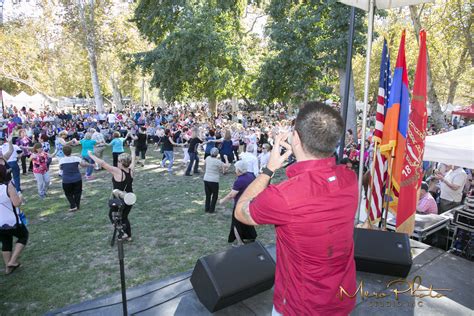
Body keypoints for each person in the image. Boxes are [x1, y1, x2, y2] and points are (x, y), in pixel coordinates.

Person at [234, 102, 357, 315]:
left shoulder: (284, 196)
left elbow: (241, 211)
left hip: (300, 306)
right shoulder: (349, 178)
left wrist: (268, 169)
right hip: (341, 299)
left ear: (296, 139)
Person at [88, 146, 135, 241]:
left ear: (122, 163)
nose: (117, 163)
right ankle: (128, 235)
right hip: (130, 197)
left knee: (112, 215)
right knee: (124, 216)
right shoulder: (131, 169)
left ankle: (123, 233)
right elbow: (133, 159)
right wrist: (132, 150)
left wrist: (91, 155)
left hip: (119, 199)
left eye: (118, 161)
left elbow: (102, 163)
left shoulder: (117, 171)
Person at [220, 160, 257, 245]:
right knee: (246, 221)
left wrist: (222, 200)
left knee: (236, 224)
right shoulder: (251, 175)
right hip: (249, 203)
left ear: (239, 170)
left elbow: (231, 195)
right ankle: (250, 237)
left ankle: (240, 242)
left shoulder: (239, 181)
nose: (235, 170)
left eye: (236, 169)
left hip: (240, 206)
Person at [0, 167, 26, 275]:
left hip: (0, 223)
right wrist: (20, 196)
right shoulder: (7, 186)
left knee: (6, 242)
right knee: (24, 236)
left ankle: (8, 267)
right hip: (12, 221)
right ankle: (12, 261)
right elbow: (16, 203)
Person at [59, 146, 92, 212]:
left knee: (68, 193)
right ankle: (77, 205)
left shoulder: (61, 160)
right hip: (77, 178)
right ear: (71, 151)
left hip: (66, 180)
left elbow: (61, 168)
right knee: (78, 192)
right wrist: (90, 164)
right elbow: (83, 164)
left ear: (63, 152)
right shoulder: (76, 158)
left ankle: (73, 205)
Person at [203, 148, 229, 213]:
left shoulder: (207, 158)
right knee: (215, 195)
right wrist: (226, 158)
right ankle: (211, 210)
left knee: (208, 195)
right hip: (214, 180)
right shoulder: (218, 161)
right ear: (217, 154)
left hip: (206, 178)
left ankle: (207, 208)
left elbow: (205, 164)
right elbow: (227, 166)